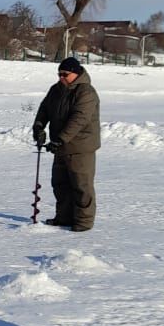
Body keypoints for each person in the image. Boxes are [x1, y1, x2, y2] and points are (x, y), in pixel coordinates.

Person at [33, 57, 100, 231]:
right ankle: (63, 218)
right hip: (60, 146)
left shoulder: (86, 92)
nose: (61, 77)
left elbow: (79, 119)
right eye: (59, 74)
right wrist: (39, 127)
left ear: (76, 74)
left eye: (65, 74)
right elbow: (44, 110)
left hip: (80, 147)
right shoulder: (56, 90)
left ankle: (83, 223)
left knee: (81, 185)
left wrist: (60, 139)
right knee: (60, 184)